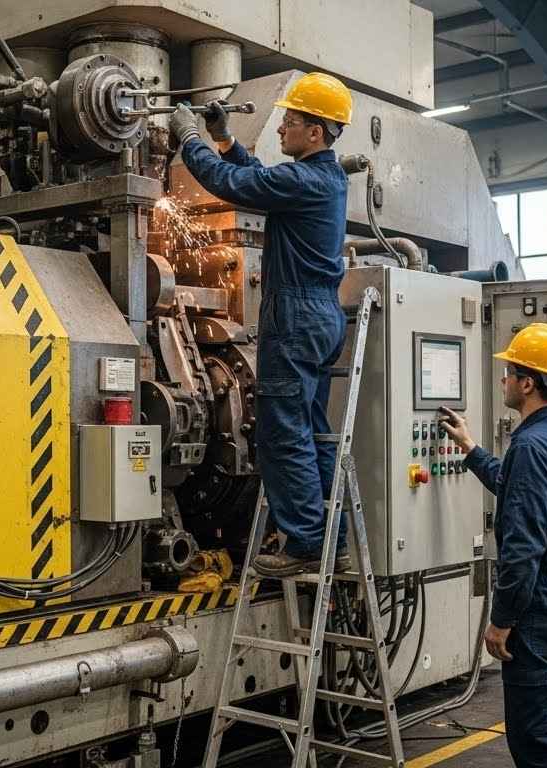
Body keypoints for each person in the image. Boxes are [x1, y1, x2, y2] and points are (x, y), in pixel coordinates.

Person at [166, 73, 353, 576]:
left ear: (315, 132)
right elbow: (256, 177)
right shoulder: (324, 179)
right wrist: (224, 140)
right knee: (312, 431)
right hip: (318, 315)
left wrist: (189, 140)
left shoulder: (305, 181)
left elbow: (235, 186)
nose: (280, 130)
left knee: (281, 434)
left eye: (289, 122)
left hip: (295, 317)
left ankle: (305, 542)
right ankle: (327, 538)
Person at [437, 323, 547, 768]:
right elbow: (514, 487)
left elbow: (523, 549)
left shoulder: (531, 445)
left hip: (539, 609)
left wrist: (502, 620)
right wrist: (470, 448)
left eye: (509, 373)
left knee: (537, 741)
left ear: (528, 383)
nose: (503, 380)